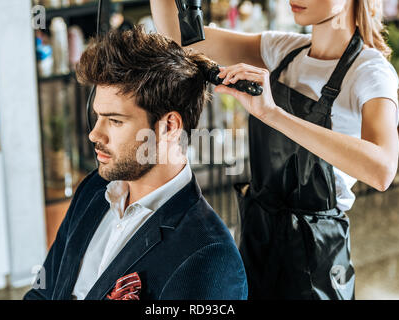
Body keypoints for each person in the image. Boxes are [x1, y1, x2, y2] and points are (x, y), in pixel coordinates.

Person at [151, 0, 399, 299]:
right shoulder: (284, 50)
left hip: (314, 258)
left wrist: (274, 114)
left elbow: (382, 169)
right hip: (259, 232)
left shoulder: (370, 71)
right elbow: (182, 37)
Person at [24, 26, 247, 300]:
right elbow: (43, 293)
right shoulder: (94, 189)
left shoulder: (209, 259)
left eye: (115, 120)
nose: (94, 134)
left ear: (169, 126)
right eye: (97, 116)